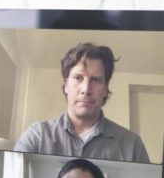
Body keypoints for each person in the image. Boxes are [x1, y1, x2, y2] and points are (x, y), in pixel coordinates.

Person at [14, 42, 150, 163]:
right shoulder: (37, 136)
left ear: (105, 89)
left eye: (96, 80)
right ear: (66, 85)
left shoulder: (133, 146)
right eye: (78, 78)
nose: (86, 89)